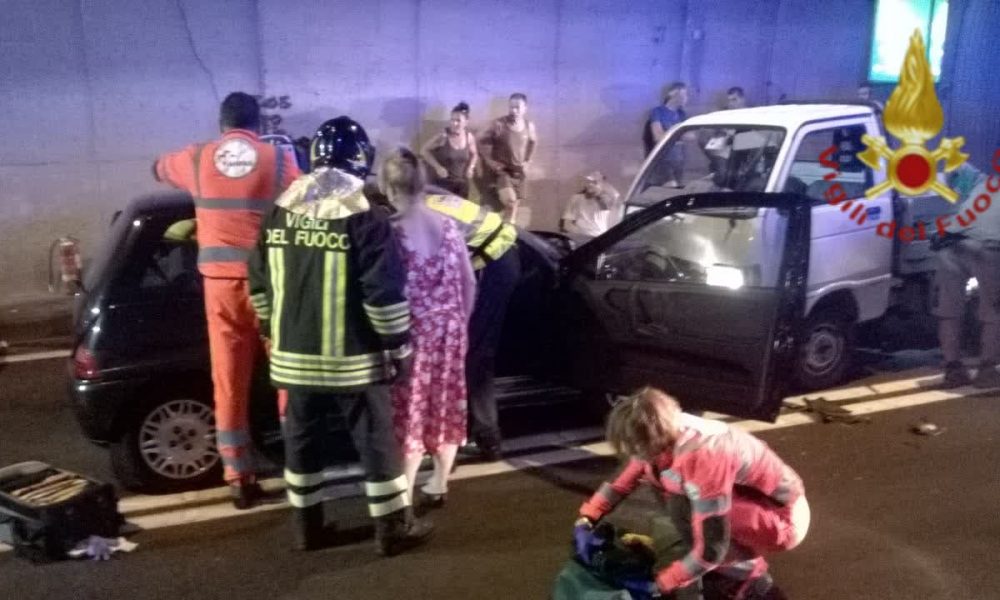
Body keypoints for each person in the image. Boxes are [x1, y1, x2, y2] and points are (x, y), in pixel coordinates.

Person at [248, 116, 434, 555]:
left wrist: (272, 330)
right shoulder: (365, 216)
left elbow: (258, 283)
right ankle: (391, 531)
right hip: (354, 361)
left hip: (293, 359)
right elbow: (384, 295)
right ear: (361, 159)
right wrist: (400, 346)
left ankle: (307, 529)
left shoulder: (279, 211)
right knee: (375, 444)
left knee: (302, 444)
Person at [152, 92, 300, 509]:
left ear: (222, 124)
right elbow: (307, 200)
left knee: (228, 381)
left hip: (220, 289)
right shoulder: (275, 160)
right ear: (257, 124)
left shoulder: (198, 158)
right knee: (286, 376)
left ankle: (238, 476)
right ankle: (298, 465)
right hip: (268, 285)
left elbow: (158, 168)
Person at [574, 387, 809, 600]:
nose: (631, 453)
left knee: (682, 505)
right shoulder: (663, 432)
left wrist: (661, 584)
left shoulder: (704, 456)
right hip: (746, 505)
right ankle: (713, 571)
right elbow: (624, 478)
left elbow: (711, 550)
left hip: (783, 519)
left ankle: (749, 581)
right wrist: (588, 517)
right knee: (672, 490)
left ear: (653, 440)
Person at [379, 147, 477, 508]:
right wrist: (460, 326)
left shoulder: (391, 232)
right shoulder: (449, 226)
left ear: (389, 188)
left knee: (411, 410)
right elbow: (468, 283)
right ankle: (438, 482)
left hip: (412, 334)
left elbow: (386, 289)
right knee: (447, 403)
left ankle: (403, 492)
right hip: (450, 329)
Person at [421, 184, 519, 462]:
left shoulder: (418, 214)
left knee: (476, 354)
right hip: (502, 253)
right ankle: (470, 433)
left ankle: (487, 438)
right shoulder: (432, 195)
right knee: (472, 352)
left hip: (494, 260)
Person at [933, 162, 1000, 389]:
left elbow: (957, 167)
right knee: (993, 310)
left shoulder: (982, 182)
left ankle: (953, 370)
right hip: (988, 246)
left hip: (950, 242)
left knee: (949, 311)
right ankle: (987, 370)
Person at [480, 93, 538, 224]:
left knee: (512, 211)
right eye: (511, 107)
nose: (514, 111)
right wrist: (490, 162)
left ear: (525, 108)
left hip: (519, 173)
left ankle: (506, 232)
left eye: (517, 107)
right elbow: (481, 143)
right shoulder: (498, 124)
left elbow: (533, 142)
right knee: (511, 202)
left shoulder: (529, 126)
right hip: (503, 172)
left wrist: (528, 161)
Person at [420, 102, 479, 198]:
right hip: (443, 186)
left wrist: (471, 167)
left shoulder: (469, 137)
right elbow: (424, 150)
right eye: (452, 120)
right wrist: (438, 167)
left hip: (462, 185)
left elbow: (475, 154)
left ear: (466, 122)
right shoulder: (443, 136)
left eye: (458, 120)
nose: (454, 123)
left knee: (460, 212)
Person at [645, 82, 690, 184]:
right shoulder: (658, 112)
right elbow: (658, 137)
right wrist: (679, 136)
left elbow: (691, 136)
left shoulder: (682, 114)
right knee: (671, 186)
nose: (686, 98)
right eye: (684, 94)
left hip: (679, 160)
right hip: (664, 159)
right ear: (673, 94)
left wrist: (670, 135)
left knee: (677, 191)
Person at [560, 170, 622, 239]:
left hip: (599, 238)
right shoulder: (576, 198)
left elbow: (615, 197)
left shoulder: (608, 198)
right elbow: (566, 224)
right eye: (588, 181)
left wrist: (599, 193)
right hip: (580, 237)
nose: (590, 184)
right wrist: (581, 234)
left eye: (594, 182)